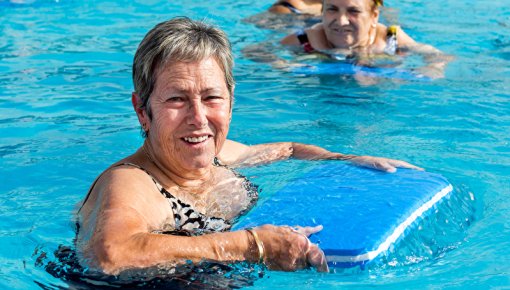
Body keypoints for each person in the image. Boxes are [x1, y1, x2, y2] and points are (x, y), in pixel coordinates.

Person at [76, 17, 422, 276]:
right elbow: (110, 255)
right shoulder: (132, 182)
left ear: (230, 102)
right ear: (142, 110)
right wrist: (252, 245)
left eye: (211, 97)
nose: (198, 117)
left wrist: (347, 159)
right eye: (177, 99)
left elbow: (286, 149)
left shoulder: (217, 155)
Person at [281, 0, 451, 78]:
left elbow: (440, 56)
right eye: (332, 9)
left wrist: (433, 68)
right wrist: (282, 65)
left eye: (353, 11)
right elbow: (258, 52)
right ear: (322, 12)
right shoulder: (306, 39)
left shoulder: (390, 37)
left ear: (374, 16)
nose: (341, 21)